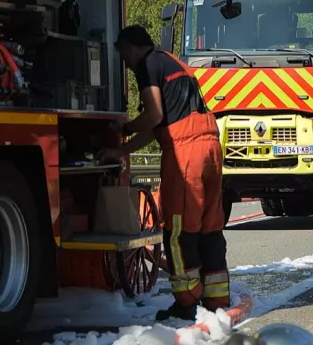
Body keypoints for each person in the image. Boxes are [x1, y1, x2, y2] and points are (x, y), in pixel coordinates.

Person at [98, 25, 230, 321]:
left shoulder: (146, 65)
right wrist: (124, 151)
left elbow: (153, 115)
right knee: (210, 227)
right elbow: (159, 126)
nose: (126, 65)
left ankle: (185, 302)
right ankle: (217, 299)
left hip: (186, 153)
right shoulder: (173, 62)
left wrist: (125, 128)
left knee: (179, 229)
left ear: (131, 48)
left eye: (123, 57)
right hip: (210, 146)